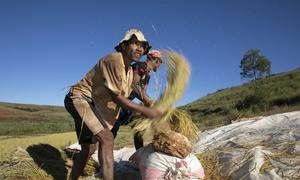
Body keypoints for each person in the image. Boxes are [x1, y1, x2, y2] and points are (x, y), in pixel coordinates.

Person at [64, 29, 162, 180]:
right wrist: (145, 109)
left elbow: (132, 91)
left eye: (142, 46)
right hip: (79, 98)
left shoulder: (129, 70)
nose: (140, 48)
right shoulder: (114, 60)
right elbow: (117, 97)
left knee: (89, 149)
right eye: (135, 43)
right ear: (123, 46)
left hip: (93, 104)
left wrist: (148, 102)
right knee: (107, 138)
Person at [110, 50, 163, 150]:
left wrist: (149, 101)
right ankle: (104, 156)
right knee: (111, 131)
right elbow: (133, 86)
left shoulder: (147, 73)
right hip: (120, 102)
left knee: (139, 126)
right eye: (160, 62)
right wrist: (147, 101)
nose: (159, 65)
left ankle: (139, 152)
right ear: (156, 60)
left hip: (127, 104)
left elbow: (142, 92)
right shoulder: (140, 66)